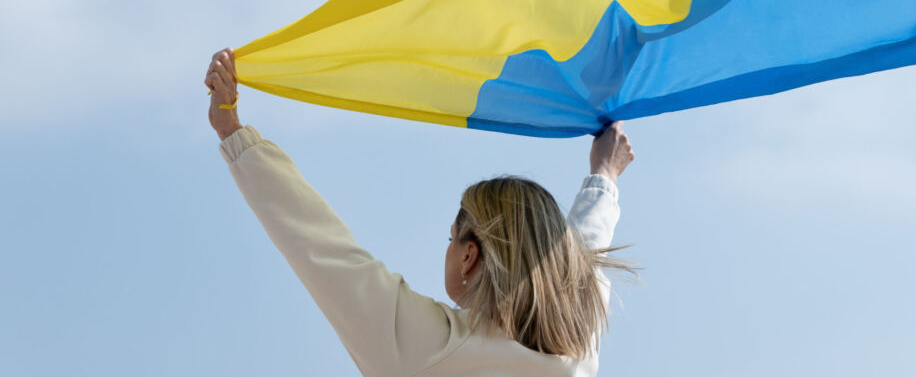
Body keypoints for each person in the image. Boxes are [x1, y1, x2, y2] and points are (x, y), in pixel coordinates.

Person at [205, 48, 636, 376]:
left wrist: (233, 132)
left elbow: (320, 244)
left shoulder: (429, 347)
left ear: (470, 255)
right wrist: (604, 174)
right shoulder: (579, 348)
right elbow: (582, 249)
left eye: (451, 239)